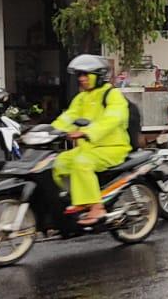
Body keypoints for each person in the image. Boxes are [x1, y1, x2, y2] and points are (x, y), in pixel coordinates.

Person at [51, 54, 131, 226]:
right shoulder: (81, 98)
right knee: (59, 163)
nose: (82, 79)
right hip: (88, 148)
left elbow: (112, 119)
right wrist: (50, 132)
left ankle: (96, 207)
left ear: (98, 76)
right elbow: (68, 117)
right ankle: (77, 200)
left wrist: (86, 132)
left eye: (86, 74)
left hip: (112, 148)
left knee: (81, 162)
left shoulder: (112, 94)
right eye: (79, 75)